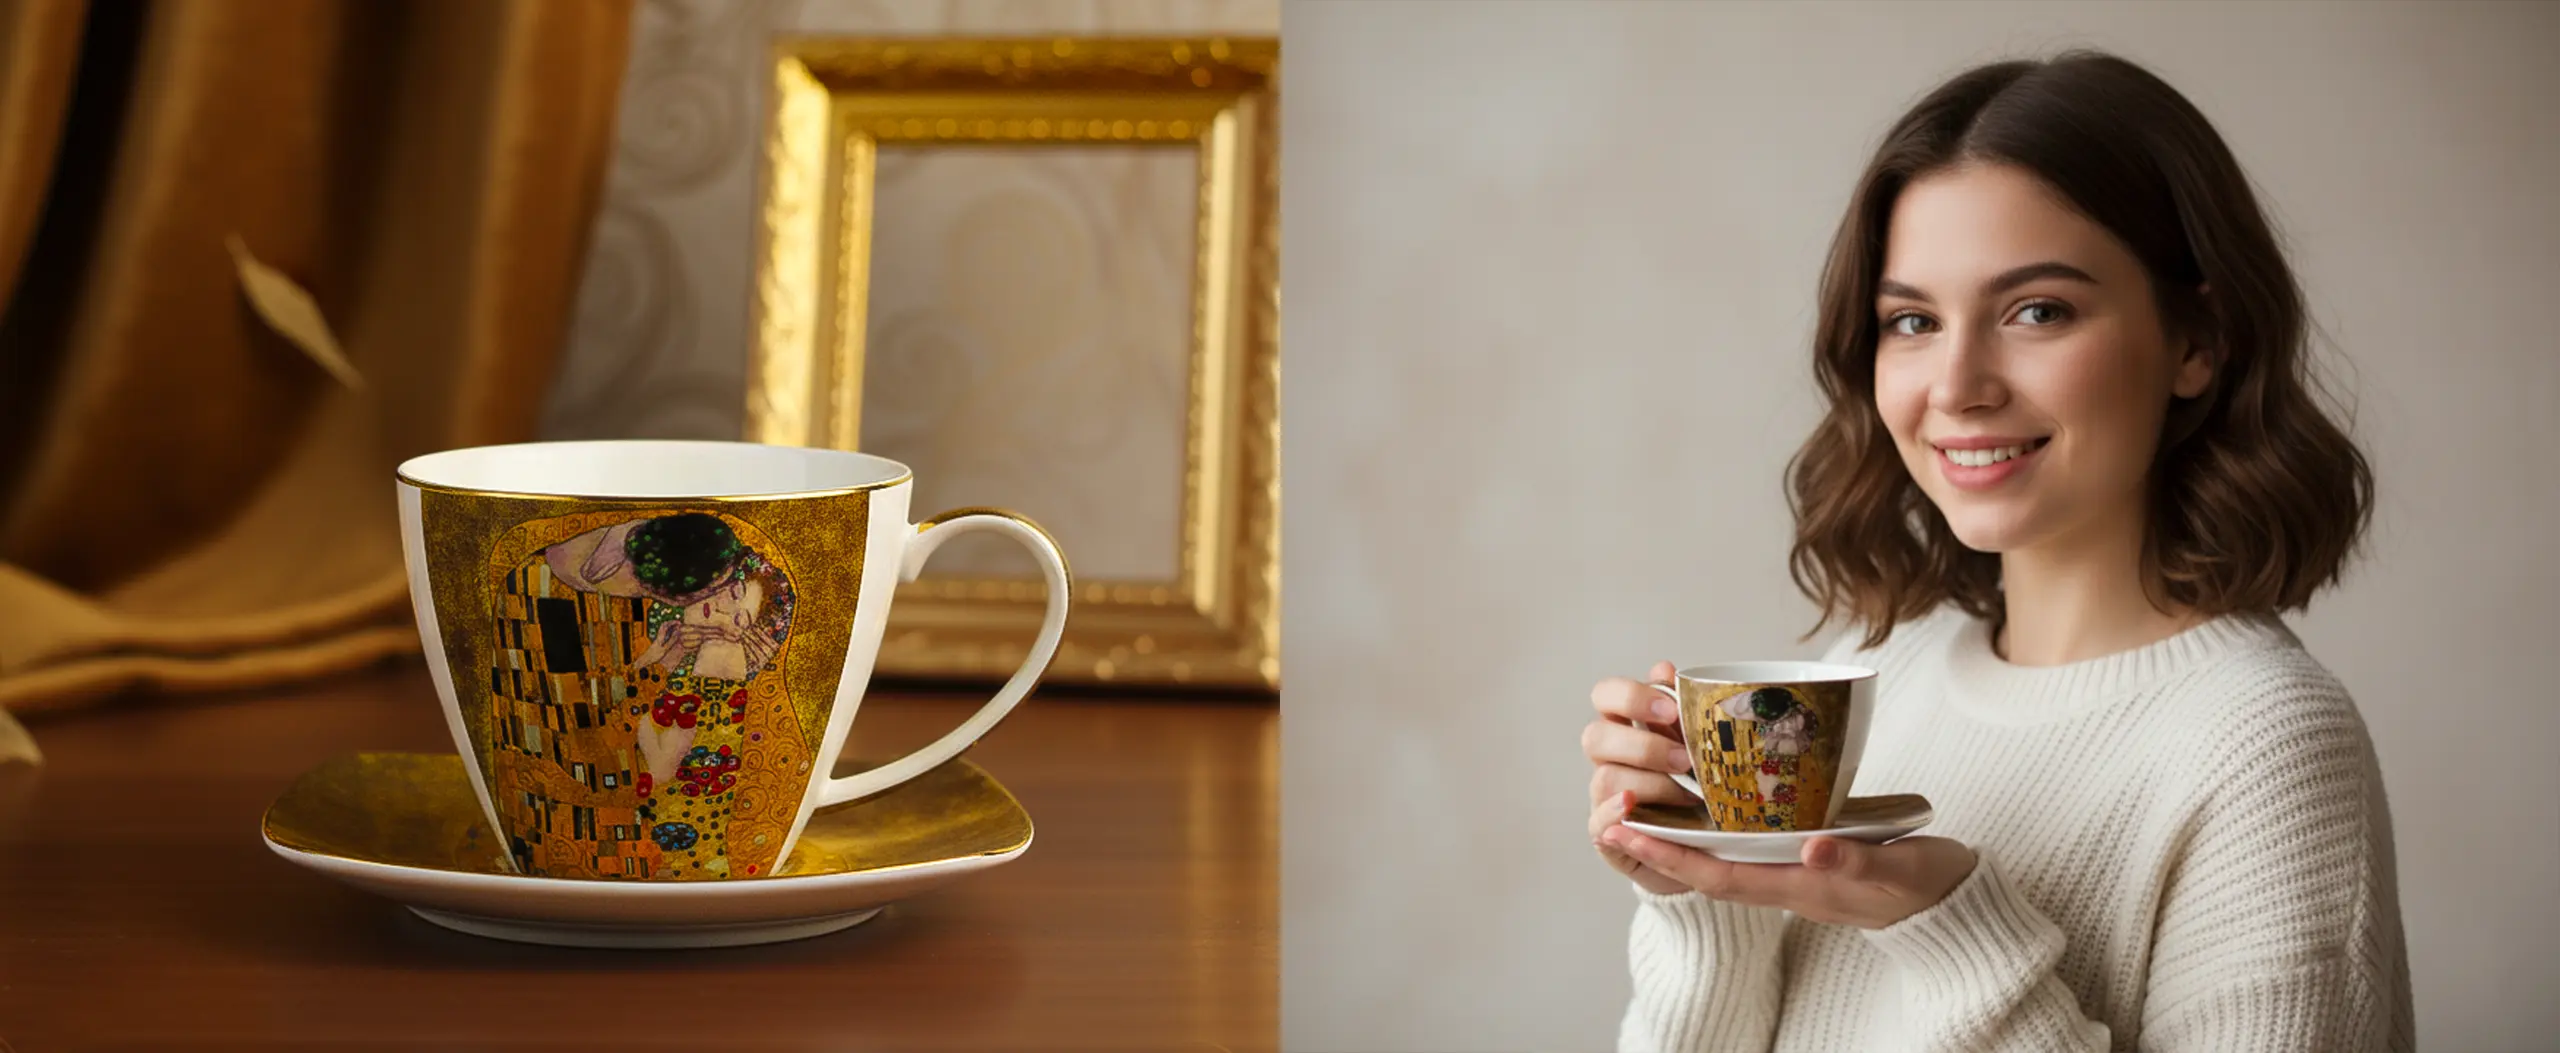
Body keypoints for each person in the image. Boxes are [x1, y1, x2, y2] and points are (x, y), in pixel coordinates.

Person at [1581, 51, 2411, 1051]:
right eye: (1912, 321)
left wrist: (1947, 929)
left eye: (2036, 311)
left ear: (2199, 338)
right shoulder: (1876, 671)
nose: (1957, 383)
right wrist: (1705, 889)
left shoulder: (2265, 744)